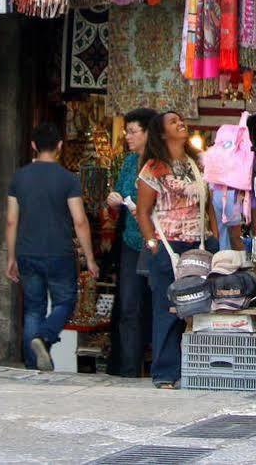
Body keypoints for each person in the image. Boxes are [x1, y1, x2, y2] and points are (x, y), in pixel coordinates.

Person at [4, 121, 98, 372]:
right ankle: (44, 338)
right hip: (59, 252)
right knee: (65, 302)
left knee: (33, 308)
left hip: (27, 251)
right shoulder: (68, 179)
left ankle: (33, 367)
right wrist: (89, 258)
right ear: (59, 146)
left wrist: (10, 257)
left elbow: (12, 220)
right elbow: (80, 220)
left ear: (33, 146)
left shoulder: (19, 178)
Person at [137, 109, 211, 389]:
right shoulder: (153, 168)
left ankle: (197, 369)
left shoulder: (197, 164)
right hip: (168, 246)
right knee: (167, 308)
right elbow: (143, 211)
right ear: (162, 133)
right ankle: (165, 373)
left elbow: (209, 203)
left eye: (181, 120)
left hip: (198, 244)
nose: (181, 124)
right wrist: (152, 243)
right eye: (173, 122)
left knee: (199, 308)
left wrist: (212, 234)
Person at [105, 108, 157, 378]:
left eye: (133, 131)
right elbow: (117, 202)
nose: (127, 136)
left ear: (148, 133)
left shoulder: (161, 164)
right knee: (128, 305)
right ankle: (128, 369)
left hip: (155, 242)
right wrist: (114, 201)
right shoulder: (127, 163)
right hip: (129, 240)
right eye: (127, 131)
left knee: (156, 303)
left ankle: (157, 366)